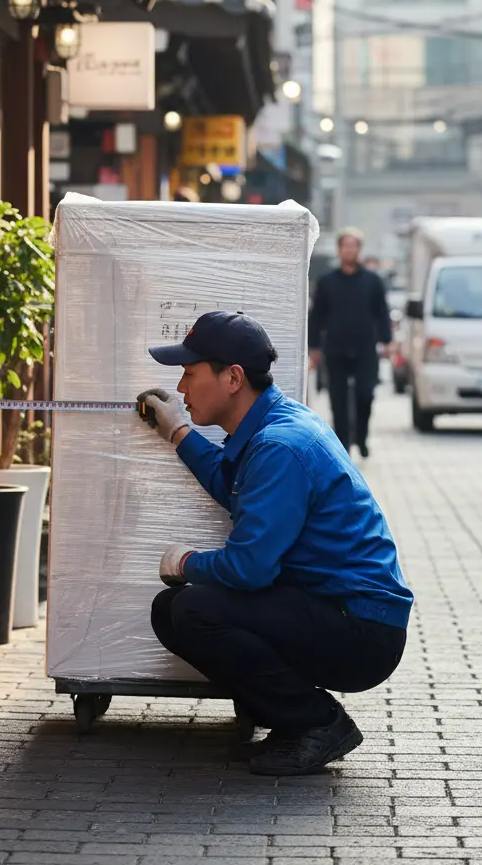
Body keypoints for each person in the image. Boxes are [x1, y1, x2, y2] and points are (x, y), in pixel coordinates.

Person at [136, 311, 413, 777]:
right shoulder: (272, 426)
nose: (181, 388)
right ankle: (289, 720)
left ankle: (318, 724)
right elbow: (233, 487)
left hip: (361, 630)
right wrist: (178, 432)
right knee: (171, 611)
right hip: (331, 608)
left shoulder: (279, 446)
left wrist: (186, 563)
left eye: (189, 373)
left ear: (233, 378)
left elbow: (249, 569)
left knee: (193, 610)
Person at [307, 229, 392, 456]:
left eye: (354, 246)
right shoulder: (327, 281)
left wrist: (386, 341)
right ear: (339, 250)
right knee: (338, 399)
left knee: (366, 394)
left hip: (365, 348)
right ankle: (343, 443)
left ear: (359, 249)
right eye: (345, 246)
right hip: (336, 348)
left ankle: (361, 436)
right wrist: (314, 346)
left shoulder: (372, 281)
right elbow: (317, 315)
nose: (349, 250)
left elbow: (382, 313)